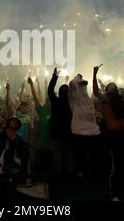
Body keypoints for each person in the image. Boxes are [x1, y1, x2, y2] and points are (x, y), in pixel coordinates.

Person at [93, 65, 124, 200]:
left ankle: (119, 190)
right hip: (115, 135)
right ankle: (115, 191)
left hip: (118, 135)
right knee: (116, 164)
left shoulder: (113, 101)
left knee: (120, 163)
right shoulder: (112, 101)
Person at [47, 67, 73, 201]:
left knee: (64, 167)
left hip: (64, 139)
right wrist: (55, 77)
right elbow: (50, 91)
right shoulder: (61, 102)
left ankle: (64, 192)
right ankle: (58, 193)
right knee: (59, 167)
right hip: (59, 139)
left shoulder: (70, 104)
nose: (65, 92)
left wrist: (55, 77)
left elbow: (50, 91)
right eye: (65, 90)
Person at [27, 77, 51, 177]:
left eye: (49, 101)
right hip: (41, 145)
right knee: (39, 169)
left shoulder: (57, 113)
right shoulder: (42, 111)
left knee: (50, 170)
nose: (47, 103)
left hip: (52, 146)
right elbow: (36, 97)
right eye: (46, 101)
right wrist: (32, 84)